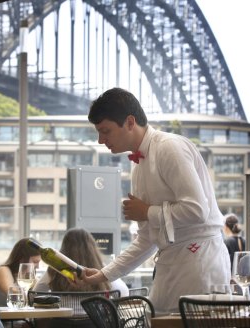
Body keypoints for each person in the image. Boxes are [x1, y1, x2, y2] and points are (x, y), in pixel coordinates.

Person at [80, 87, 230, 315]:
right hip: (170, 262)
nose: (101, 140)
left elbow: (198, 209)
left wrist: (147, 212)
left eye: (105, 131)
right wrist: (104, 274)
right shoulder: (137, 165)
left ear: (130, 122)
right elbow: (147, 238)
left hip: (199, 261)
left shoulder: (169, 147)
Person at [33, 228, 129, 296]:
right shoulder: (100, 268)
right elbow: (123, 291)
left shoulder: (55, 269)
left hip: (61, 321)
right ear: (91, 247)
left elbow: (35, 293)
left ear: (64, 248)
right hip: (94, 321)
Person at [0, 237, 41, 306]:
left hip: (16, 316)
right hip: (0, 316)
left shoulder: (27, 277)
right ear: (22, 259)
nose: (38, 267)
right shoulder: (3, 270)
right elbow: (13, 293)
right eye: (35, 262)